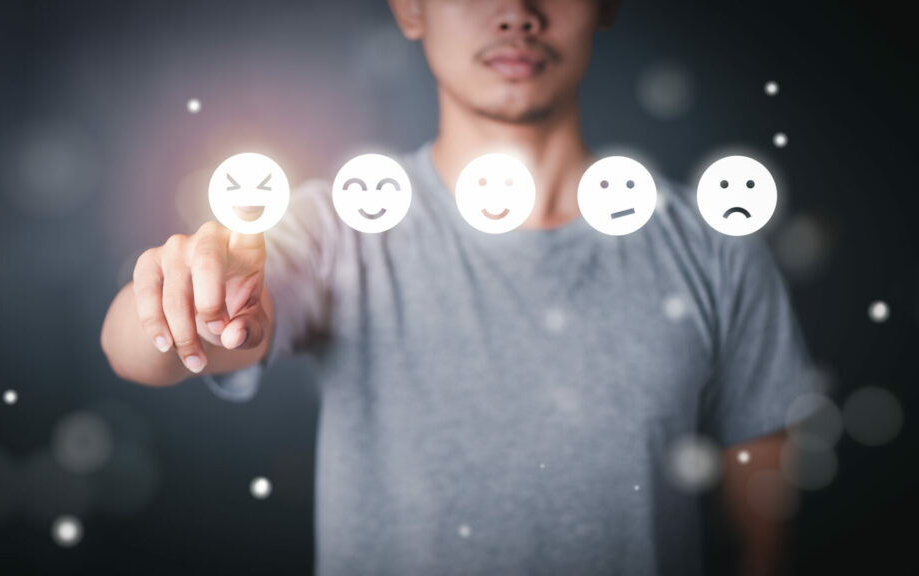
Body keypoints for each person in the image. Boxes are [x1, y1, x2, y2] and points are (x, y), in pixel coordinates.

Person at [101, 1, 811, 574]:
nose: (516, 14)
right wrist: (182, 296)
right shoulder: (334, 232)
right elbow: (140, 349)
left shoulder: (714, 249)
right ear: (410, 9)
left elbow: (765, 528)